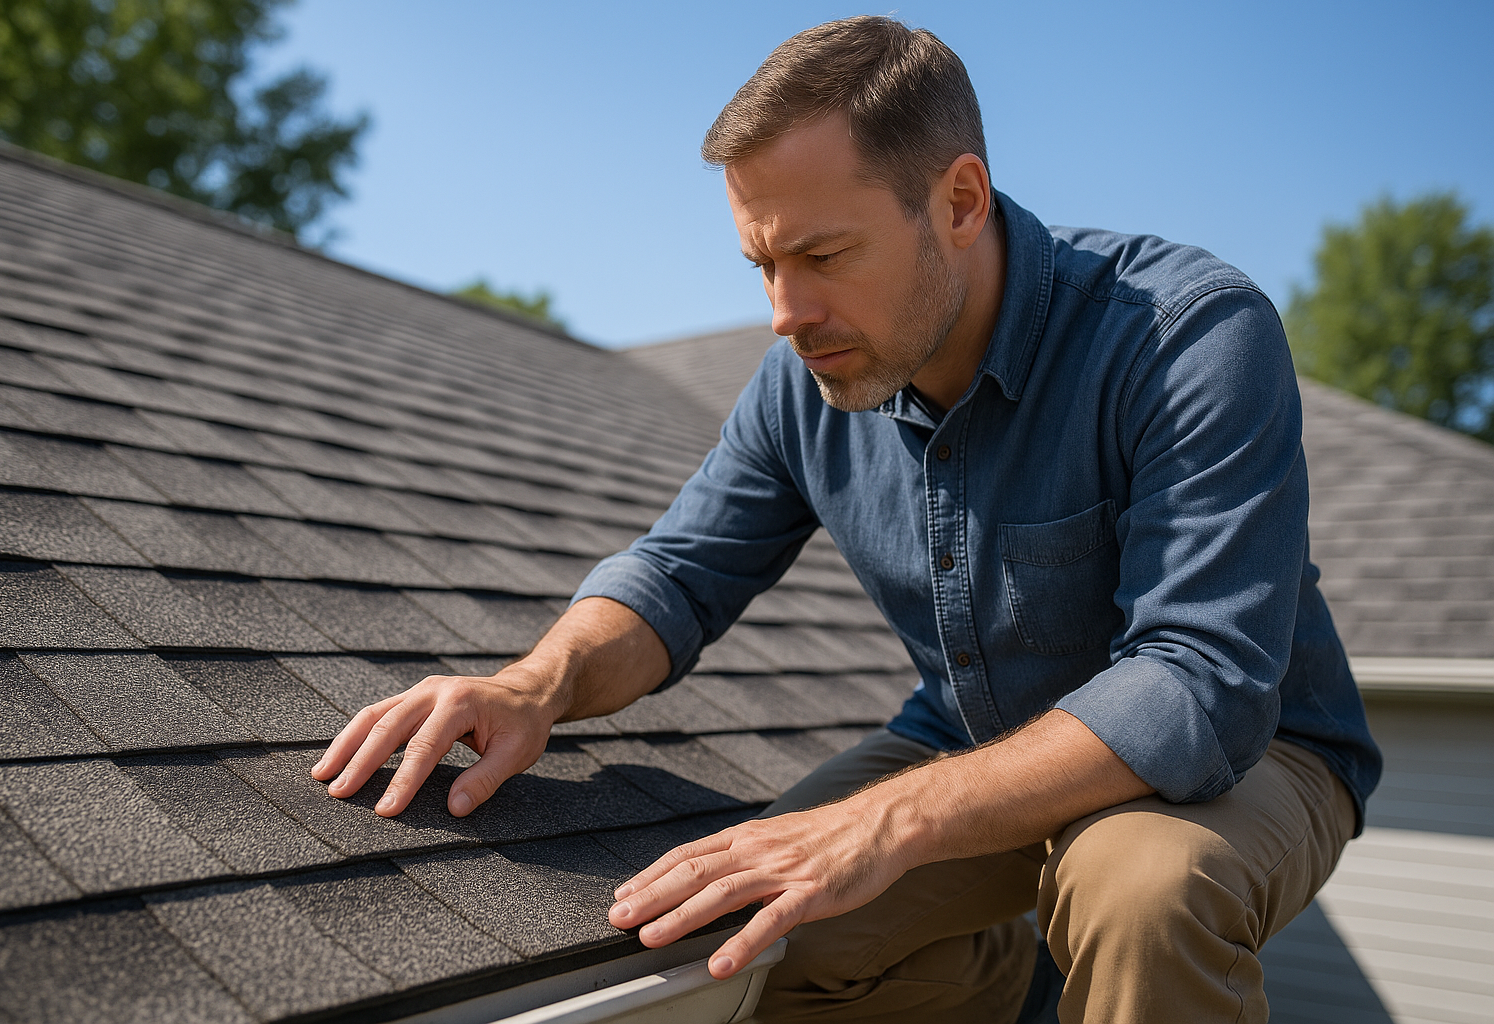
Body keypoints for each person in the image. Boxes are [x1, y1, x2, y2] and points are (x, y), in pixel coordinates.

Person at [312, 16, 1381, 1024]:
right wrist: (529, 685)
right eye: (762, 265)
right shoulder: (805, 384)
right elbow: (679, 575)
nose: (785, 313)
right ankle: (994, 978)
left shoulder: (1183, 334)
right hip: (975, 740)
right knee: (743, 930)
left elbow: (1198, 680)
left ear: (960, 200)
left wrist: (889, 821)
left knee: (1143, 885)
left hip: (1250, 752)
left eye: (822, 257)